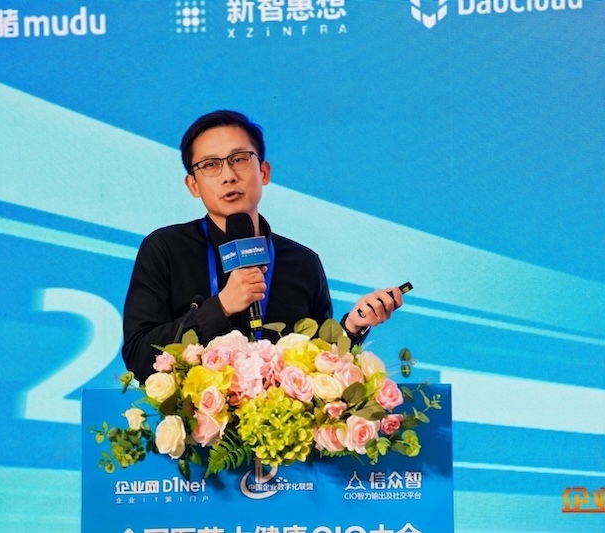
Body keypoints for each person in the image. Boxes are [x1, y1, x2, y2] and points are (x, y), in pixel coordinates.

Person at [122, 110, 405, 383]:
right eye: (210, 165)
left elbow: (320, 366)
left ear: (264, 171)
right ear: (193, 185)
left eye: (239, 159)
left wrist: (353, 326)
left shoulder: (303, 262)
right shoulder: (165, 250)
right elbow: (138, 356)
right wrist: (221, 306)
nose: (228, 175)